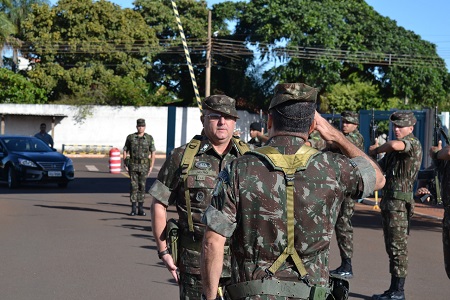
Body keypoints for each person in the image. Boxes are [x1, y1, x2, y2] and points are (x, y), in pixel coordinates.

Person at [200, 83, 385, 300]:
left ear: (269, 121)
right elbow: (378, 179)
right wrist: (336, 136)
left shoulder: (239, 168)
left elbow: (213, 240)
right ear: (313, 125)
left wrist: (210, 297)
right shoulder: (334, 167)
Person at [149, 95, 251, 299]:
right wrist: (164, 251)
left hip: (240, 267)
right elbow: (159, 203)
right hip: (196, 266)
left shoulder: (249, 159)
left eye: (228, 117)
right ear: (203, 119)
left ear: (234, 122)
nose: (222, 122)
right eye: (215, 116)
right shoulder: (182, 157)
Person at [369, 111, 423, 300]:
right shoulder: (394, 154)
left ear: (411, 127)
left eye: (400, 126)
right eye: (395, 126)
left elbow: (393, 144)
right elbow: (379, 168)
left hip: (400, 204)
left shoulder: (412, 143)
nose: (396, 129)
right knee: (392, 247)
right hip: (390, 203)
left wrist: (376, 149)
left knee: (398, 248)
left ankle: (399, 291)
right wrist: (370, 156)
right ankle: (393, 289)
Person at [330, 111, 365, 279]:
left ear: (356, 125)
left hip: (349, 188)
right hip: (340, 186)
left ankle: (347, 264)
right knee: (338, 224)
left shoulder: (355, 138)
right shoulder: (343, 137)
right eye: (343, 122)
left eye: (348, 122)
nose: (345, 125)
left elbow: (335, 144)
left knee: (344, 224)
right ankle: (344, 263)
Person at [415, 140, 450, 280]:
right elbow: (428, 197)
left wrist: (435, 153)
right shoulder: (441, 165)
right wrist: (424, 195)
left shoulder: (442, 155)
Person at [123, 118, 156, 216]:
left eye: (142, 126)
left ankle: (141, 209)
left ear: (145, 127)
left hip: (144, 166)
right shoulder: (131, 137)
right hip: (133, 165)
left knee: (142, 186)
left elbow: (153, 152)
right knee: (133, 186)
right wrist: (125, 162)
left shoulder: (149, 138)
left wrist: (151, 166)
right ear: (136, 127)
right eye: (139, 126)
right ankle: (133, 209)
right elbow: (125, 150)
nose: (140, 128)